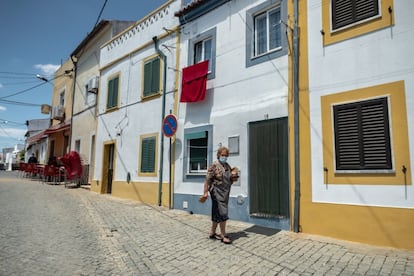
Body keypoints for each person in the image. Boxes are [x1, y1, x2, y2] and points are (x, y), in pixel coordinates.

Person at [201, 146, 239, 244]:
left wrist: (234, 176)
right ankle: (223, 235)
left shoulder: (227, 166)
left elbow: (230, 179)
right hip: (216, 192)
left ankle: (212, 232)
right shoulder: (214, 165)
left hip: (225, 192)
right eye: (222, 155)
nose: (224, 157)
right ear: (218, 155)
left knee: (217, 212)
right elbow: (207, 180)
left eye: (226, 155)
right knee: (223, 212)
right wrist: (205, 192)